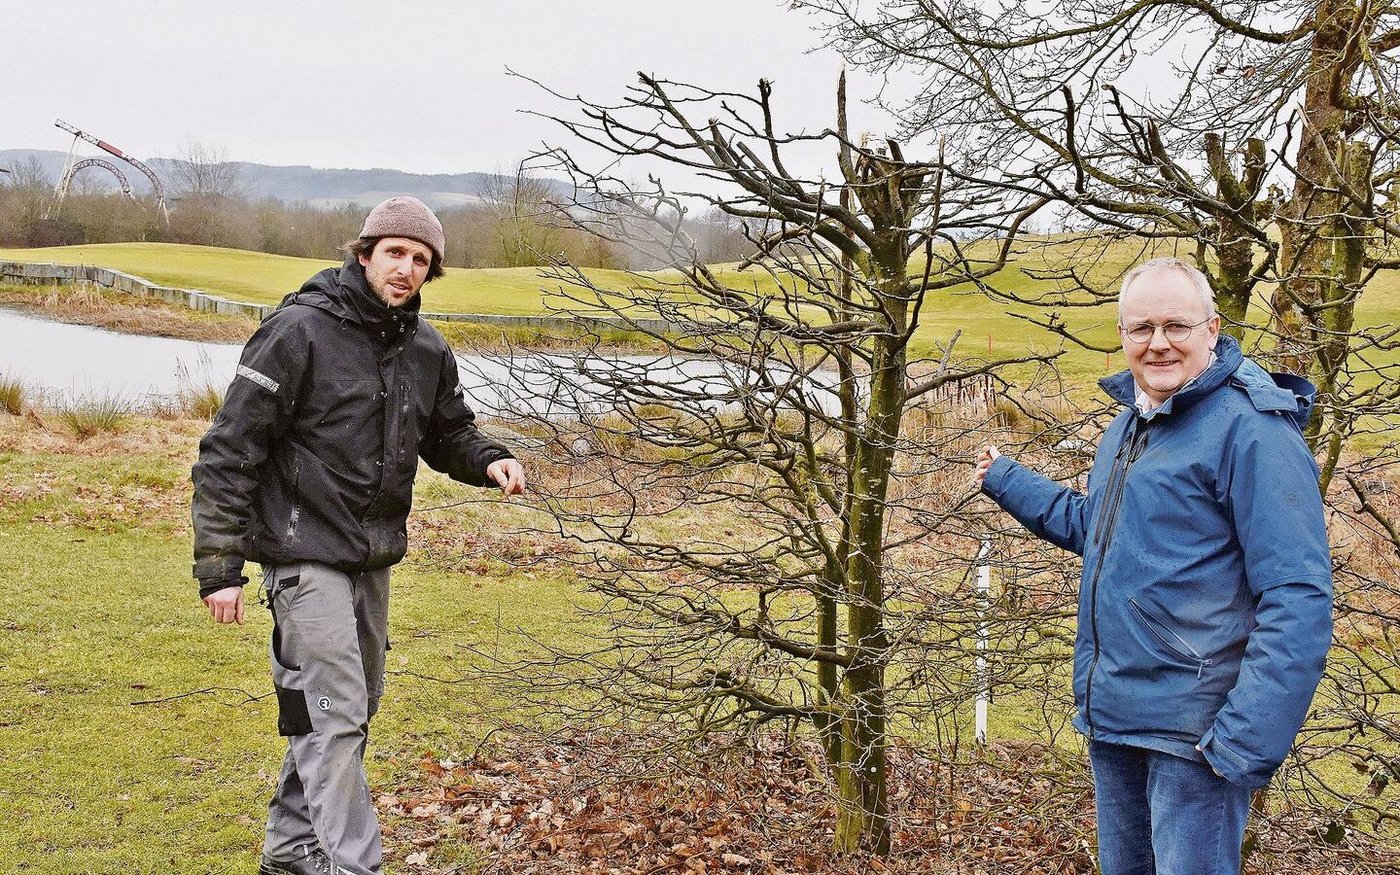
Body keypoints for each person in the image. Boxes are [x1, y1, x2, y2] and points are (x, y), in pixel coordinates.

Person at [191, 196, 526, 875]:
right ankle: (355, 866)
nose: (406, 268)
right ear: (365, 251)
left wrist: (488, 455)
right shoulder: (298, 331)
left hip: (369, 558)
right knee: (336, 711)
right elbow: (230, 449)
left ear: (429, 273)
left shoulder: (426, 349)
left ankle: (288, 853)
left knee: (345, 709)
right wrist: (221, 564)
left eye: (421, 259)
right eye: (395, 252)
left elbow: (448, 432)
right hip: (299, 551)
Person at [975, 257, 1332, 875]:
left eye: (1176, 325)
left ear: (1213, 328)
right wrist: (1009, 480)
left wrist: (1242, 742)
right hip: (1117, 718)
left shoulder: (1253, 433)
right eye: (1142, 328)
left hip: (1196, 735)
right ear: (1123, 336)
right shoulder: (1132, 424)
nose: (1158, 342)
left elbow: (1297, 597)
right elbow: (1105, 532)